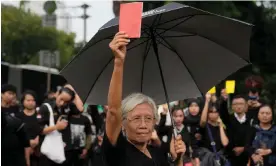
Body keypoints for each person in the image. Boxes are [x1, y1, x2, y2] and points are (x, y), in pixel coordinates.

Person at [102, 32, 186, 166]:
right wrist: (119, 62)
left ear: (154, 122)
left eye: (148, 118)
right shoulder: (118, 151)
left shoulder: (158, 154)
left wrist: (179, 159)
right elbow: (113, 112)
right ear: (123, 123)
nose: (143, 125)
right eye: (136, 118)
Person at [38, 86, 76, 166]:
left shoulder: (66, 108)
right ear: (57, 94)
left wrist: (73, 91)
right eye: (61, 99)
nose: (62, 103)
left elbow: (81, 109)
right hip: (48, 152)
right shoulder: (45, 107)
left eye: (66, 101)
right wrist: (56, 127)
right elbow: (39, 130)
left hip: (62, 150)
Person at [219, 93, 252, 166]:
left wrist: (244, 148)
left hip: (248, 156)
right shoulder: (228, 119)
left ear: (246, 105)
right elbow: (223, 112)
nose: (238, 106)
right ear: (232, 107)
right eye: (235, 104)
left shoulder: (251, 119)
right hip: (232, 156)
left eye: (241, 103)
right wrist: (224, 100)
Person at [199, 93, 229, 166]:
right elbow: (202, 121)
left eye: (215, 112)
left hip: (219, 159)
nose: (213, 114)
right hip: (207, 159)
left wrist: (220, 126)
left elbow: (225, 143)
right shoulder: (205, 125)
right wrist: (207, 101)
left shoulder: (222, 126)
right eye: (211, 112)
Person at [17, 90, 42, 166]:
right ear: (23, 101)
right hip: (23, 149)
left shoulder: (40, 114)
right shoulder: (18, 116)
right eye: (28, 100)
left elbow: (44, 128)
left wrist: (38, 139)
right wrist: (28, 143)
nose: (31, 102)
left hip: (40, 149)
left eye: (33, 100)